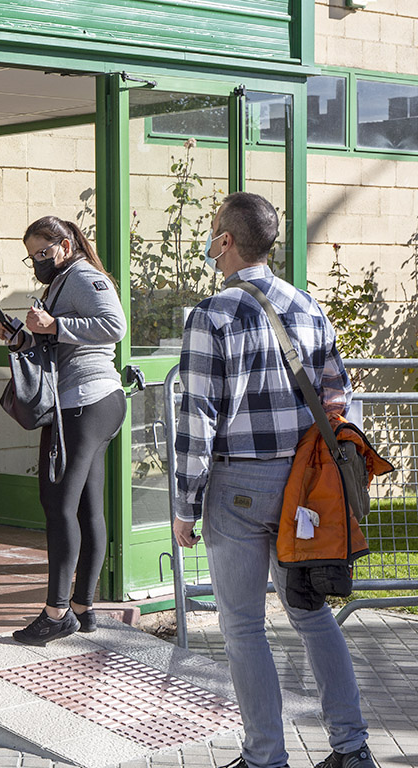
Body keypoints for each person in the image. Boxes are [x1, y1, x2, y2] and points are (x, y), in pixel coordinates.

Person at [174, 192, 374, 768]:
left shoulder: (211, 315)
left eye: (214, 233)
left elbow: (199, 418)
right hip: (306, 488)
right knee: (312, 614)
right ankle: (351, 748)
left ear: (227, 241)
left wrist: (185, 504)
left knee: (242, 628)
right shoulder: (309, 308)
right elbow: (339, 402)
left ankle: (265, 756)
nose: (211, 244)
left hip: (239, 486)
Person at [0, 215, 127, 645]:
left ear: (65, 246)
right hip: (91, 402)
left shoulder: (84, 276)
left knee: (57, 504)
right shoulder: (63, 281)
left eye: (43, 252)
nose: (37, 261)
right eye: (31, 255)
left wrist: (53, 325)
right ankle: (82, 608)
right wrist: (22, 338)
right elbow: (58, 343)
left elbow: (114, 325)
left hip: (85, 401)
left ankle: (56, 613)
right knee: (87, 507)